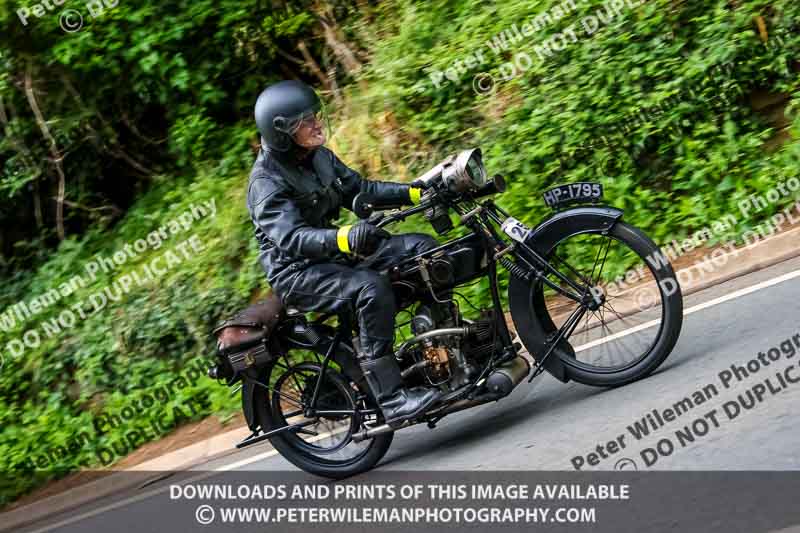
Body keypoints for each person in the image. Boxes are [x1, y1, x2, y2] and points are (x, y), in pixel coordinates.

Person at [247, 80, 441, 427]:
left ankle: (432, 352)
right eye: (305, 121)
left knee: (422, 250)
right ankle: (392, 397)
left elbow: (361, 189)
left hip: (335, 257)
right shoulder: (266, 182)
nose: (316, 124)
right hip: (297, 273)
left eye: (315, 116)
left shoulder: (317, 156)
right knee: (370, 289)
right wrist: (347, 237)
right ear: (280, 132)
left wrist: (418, 193)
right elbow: (292, 237)